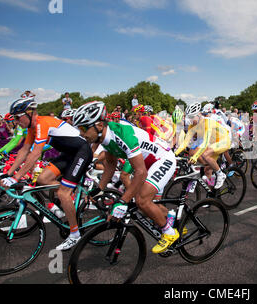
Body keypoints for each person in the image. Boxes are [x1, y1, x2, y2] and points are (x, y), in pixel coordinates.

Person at [72, 101, 179, 254]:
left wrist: (123, 201)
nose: (81, 133)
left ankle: (170, 233)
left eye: (83, 128)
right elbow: (110, 165)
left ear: (99, 125)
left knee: (141, 200)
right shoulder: (106, 137)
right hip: (147, 161)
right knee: (143, 204)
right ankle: (169, 217)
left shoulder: (121, 135)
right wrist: (99, 189)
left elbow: (140, 172)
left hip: (162, 159)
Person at [0, 97, 93, 250]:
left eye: (18, 117)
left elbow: (35, 154)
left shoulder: (43, 123)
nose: (16, 121)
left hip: (81, 153)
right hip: (68, 155)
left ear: (29, 113)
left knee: (63, 193)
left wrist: (16, 177)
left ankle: (75, 235)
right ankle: (71, 193)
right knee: (42, 179)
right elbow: (24, 150)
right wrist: (9, 174)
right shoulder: (31, 128)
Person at [175, 102, 230, 189]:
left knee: (205, 155)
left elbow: (205, 143)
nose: (190, 120)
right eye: (189, 117)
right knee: (207, 170)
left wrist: (195, 157)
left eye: (192, 117)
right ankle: (211, 195)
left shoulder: (207, 122)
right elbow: (185, 142)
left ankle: (220, 174)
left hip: (223, 140)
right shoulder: (192, 125)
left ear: (199, 115)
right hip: (213, 143)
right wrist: (175, 154)